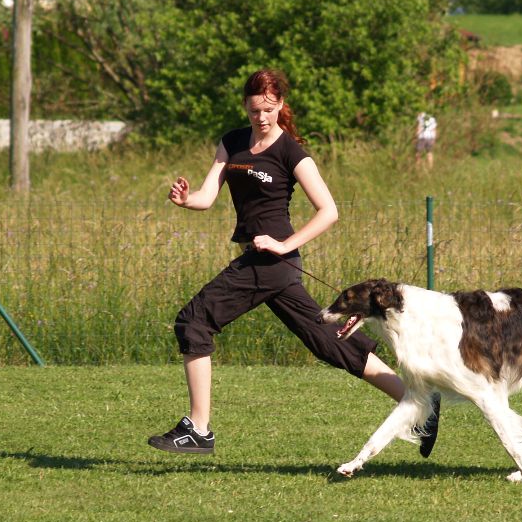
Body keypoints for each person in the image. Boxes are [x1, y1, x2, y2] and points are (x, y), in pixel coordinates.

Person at [148, 69, 440, 457]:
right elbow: (207, 195)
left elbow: (329, 211)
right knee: (329, 342)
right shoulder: (232, 142)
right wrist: (187, 199)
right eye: (255, 110)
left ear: (281, 105)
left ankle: (198, 428)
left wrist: (285, 245)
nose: (262, 117)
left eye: (269, 109)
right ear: (245, 107)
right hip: (263, 264)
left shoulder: (291, 152)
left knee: (194, 320)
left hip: (271, 264)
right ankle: (422, 404)